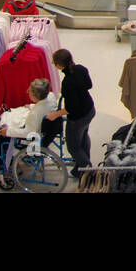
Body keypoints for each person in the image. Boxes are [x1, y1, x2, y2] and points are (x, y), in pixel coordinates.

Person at [0, 78, 57, 175]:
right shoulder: (51, 96)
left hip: (33, 137)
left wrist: (8, 131)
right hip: (45, 131)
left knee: (2, 140)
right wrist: (31, 106)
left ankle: (6, 166)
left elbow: (28, 132)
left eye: (30, 92)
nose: (28, 93)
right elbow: (44, 106)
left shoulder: (35, 114)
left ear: (36, 96)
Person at [49, 49, 94, 178]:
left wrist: (56, 114)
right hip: (89, 109)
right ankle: (80, 168)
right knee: (83, 136)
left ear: (59, 65)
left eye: (54, 62)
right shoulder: (81, 69)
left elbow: (71, 108)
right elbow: (89, 85)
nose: (52, 63)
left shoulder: (67, 82)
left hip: (77, 118)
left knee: (73, 146)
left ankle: (87, 170)